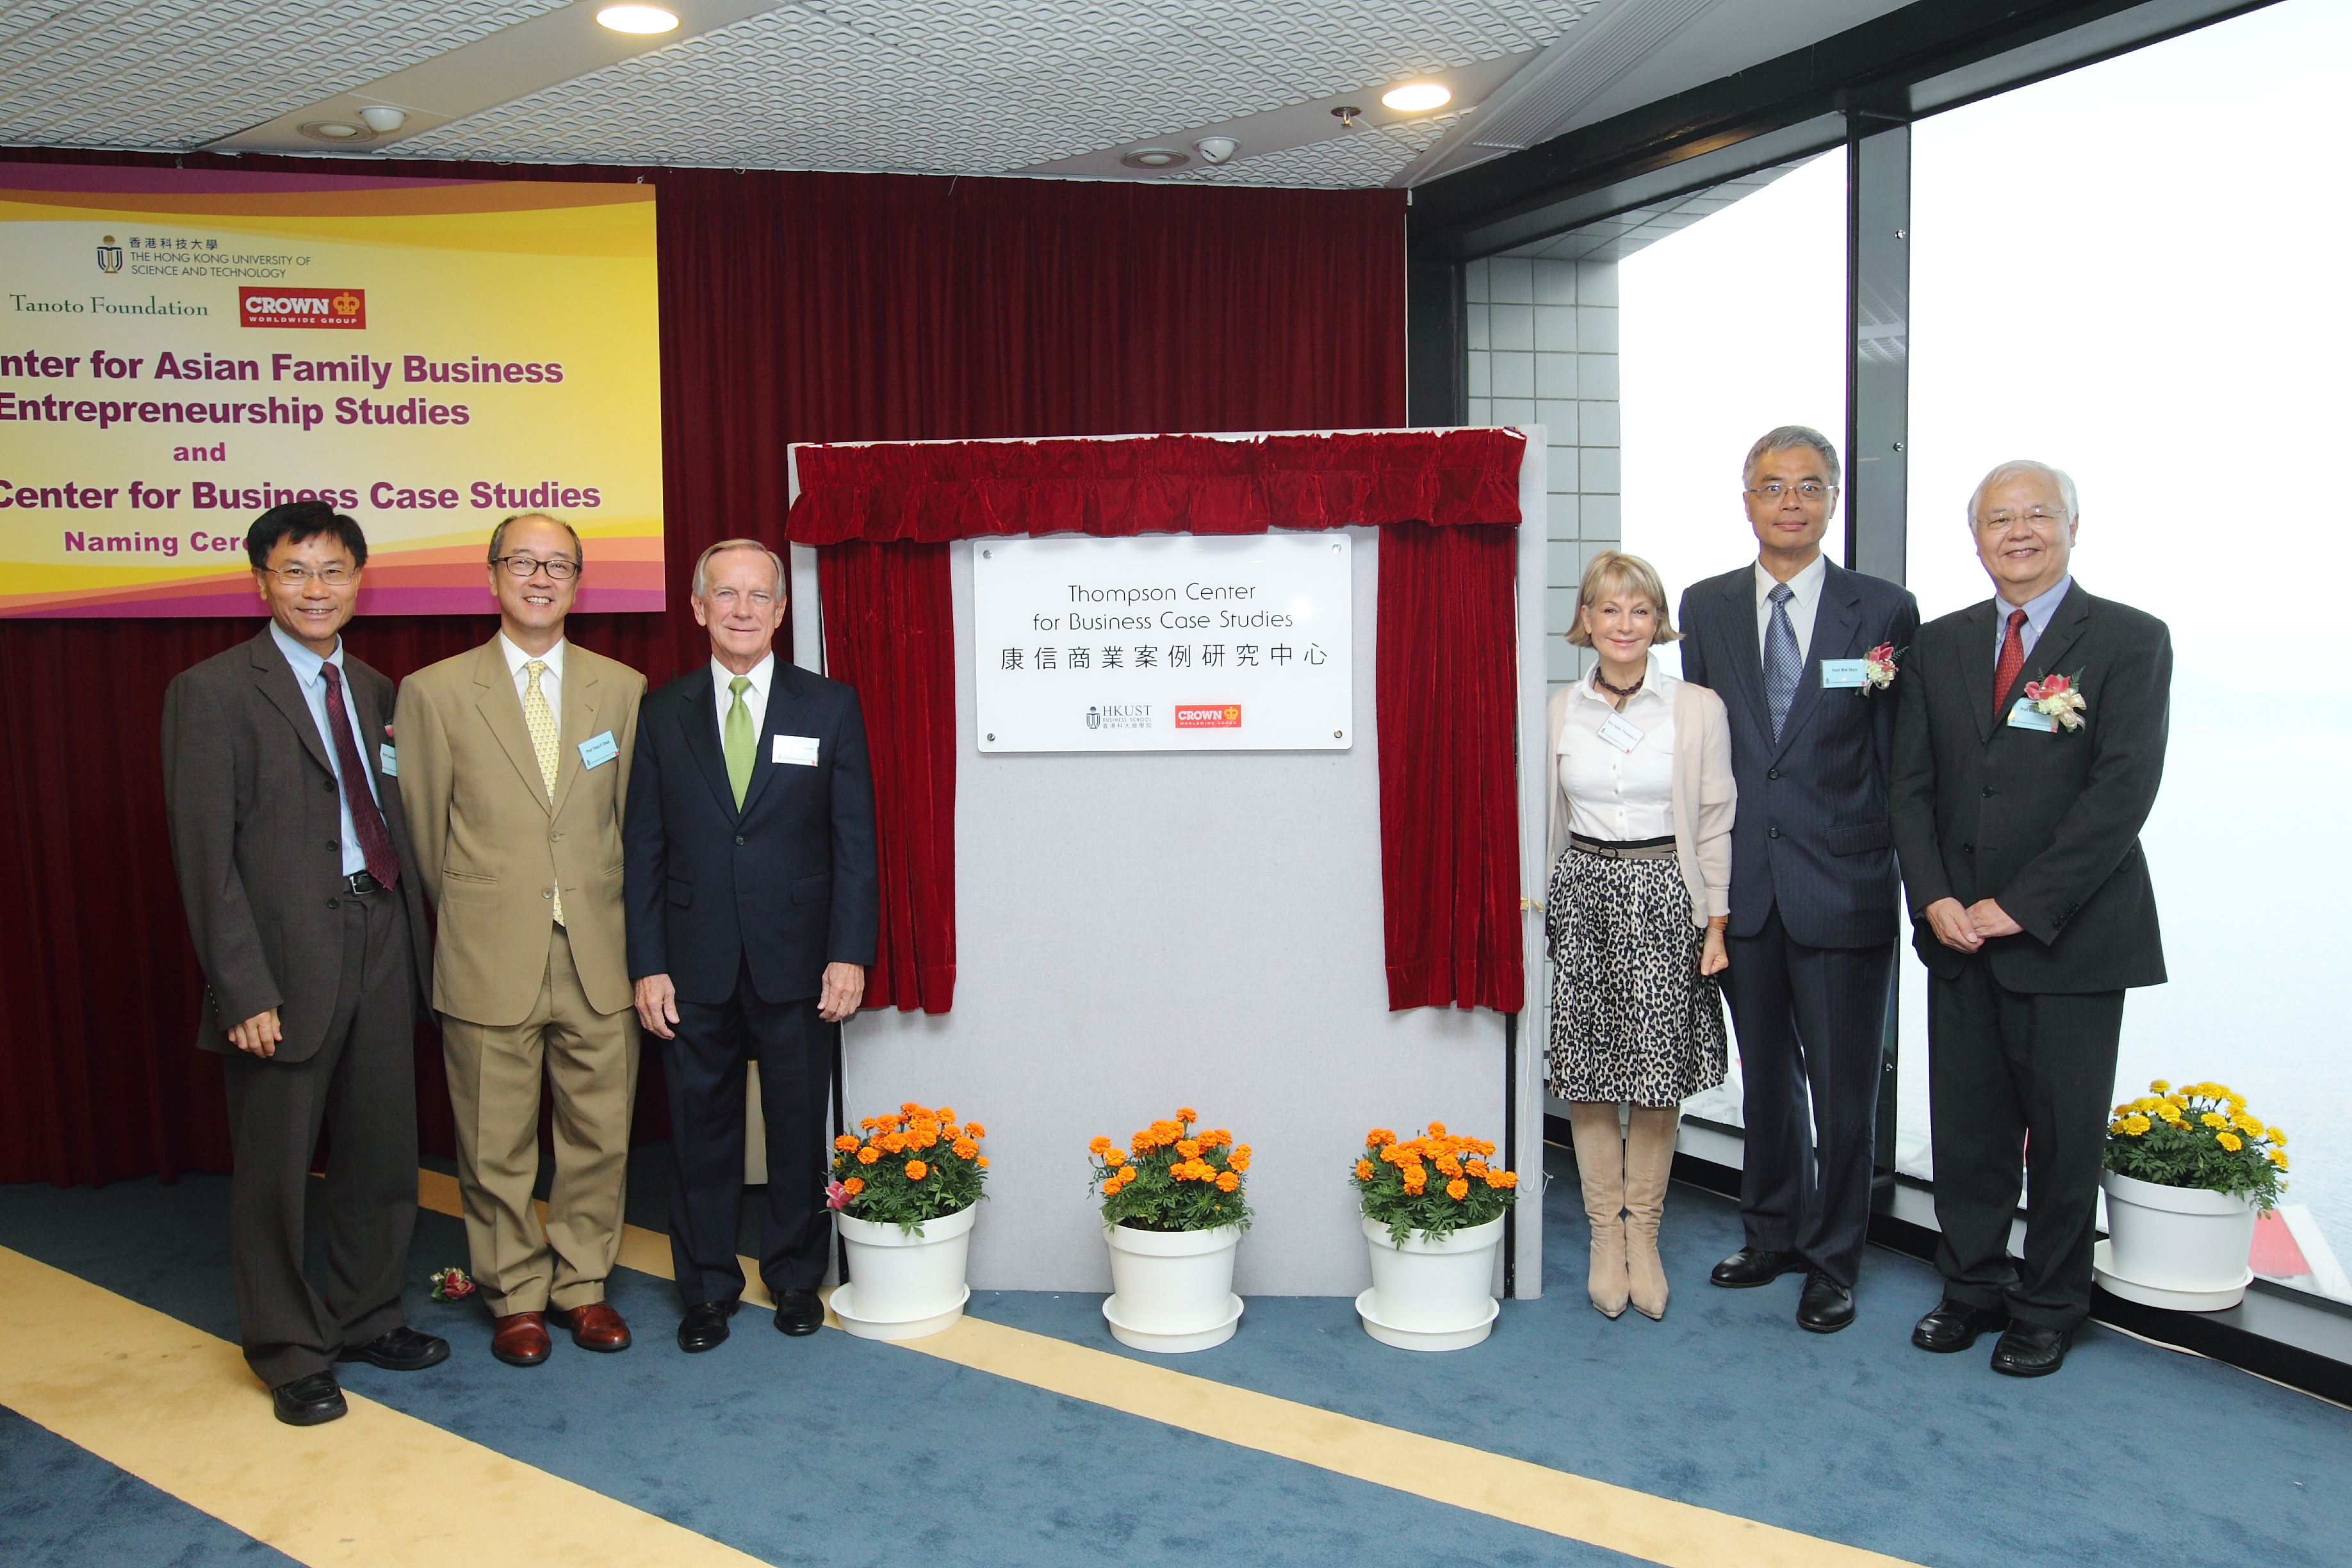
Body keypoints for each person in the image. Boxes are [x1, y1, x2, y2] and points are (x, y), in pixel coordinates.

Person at [160, 502, 448, 1426]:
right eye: (295, 571)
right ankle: (289, 1348)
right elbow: (205, 859)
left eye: (333, 571)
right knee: (277, 1170)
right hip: (282, 963)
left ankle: (368, 1316)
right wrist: (241, 988)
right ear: (262, 583)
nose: (316, 589)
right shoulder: (211, 692)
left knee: (381, 1150)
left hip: (382, 937)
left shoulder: (376, 688)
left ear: (358, 581)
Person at [1891, 459, 2169, 1378]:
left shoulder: (2130, 639)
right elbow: (1911, 787)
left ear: (2072, 527)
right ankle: (1970, 1286)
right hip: (1958, 935)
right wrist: (1934, 898)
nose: (2019, 532)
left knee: (2063, 1139)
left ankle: (2049, 1305)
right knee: (1968, 1135)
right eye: (1998, 519)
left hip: (2070, 939)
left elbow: (2120, 796)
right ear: (1976, 539)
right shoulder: (1939, 644)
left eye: (2037, 515)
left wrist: (2020, 906)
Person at [1676, 425, 1921, 1334]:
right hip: (1742, 886)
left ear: (1833, 501)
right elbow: (1705, 751)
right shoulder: (1704, 607)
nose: (1791, 501)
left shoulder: (1884, 610)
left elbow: (1899, 761)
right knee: (1767, 1080)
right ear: (1747, 500)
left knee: (1844, 1092)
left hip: (1843, 884)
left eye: (1810, 486)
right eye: (1774, 486)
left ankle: (1832, 1260)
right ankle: (1771, 1233)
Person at [394, 515, 648, 1368]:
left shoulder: (622, 688)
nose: (541, 578)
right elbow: (424, 832)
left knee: (600, 1133)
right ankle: (513, 1295)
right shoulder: (434, 691)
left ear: (578, 582)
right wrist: (486, 910)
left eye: (558, 565)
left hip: (599, 949)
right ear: (492, 575)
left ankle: (582, 1284)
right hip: (488, 949)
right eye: (523, 562)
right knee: (492, 1139)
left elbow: (630, 824)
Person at [623, 537, 879, 1352]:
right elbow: (643, 848)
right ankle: (706, 1288)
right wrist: (648, 964)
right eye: (725, 595)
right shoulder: (661, 712)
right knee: (700, 1132)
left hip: (799, 957)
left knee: (799, 1126)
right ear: (698, 608)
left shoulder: (829, 706)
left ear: (781, 610)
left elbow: (855, 842)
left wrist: (850, 952)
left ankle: (797, 1277)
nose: (742, 610)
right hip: (691, 962)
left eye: (758, 595)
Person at [1547, 550, 1735, 1321]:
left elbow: (1715, 820)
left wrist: (1715, 921)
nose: (1624, 624)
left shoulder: (1697, 708)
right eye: (1609, 609)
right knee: (1589, 1074)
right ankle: (1605, 1236)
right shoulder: (1558, 710)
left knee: (1658, 1077)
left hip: (1666, 895)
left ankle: (1644, 1236)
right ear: (1586, 620)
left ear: (1658, 623)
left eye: (1640, 610)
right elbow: (1544, 821)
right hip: (1585, 892)